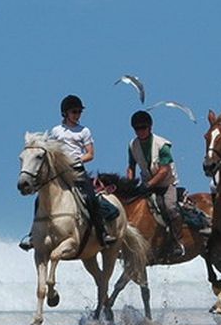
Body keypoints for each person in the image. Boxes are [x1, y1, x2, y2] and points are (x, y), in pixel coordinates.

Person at [19, 94, 116, 251]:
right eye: (74, 112)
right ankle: (32, 235)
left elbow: (90, 154)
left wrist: (78, 160)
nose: (77, 115)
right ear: (65, 113)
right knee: (39, 199)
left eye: (79, 112)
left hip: (76, 171)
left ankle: (102, 233)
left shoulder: (84, 131)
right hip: (58, 172)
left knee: (91, 198)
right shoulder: (56, 131)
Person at [126, 110, 186, 257]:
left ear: (150, 127)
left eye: (143, 128)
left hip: (166, 184)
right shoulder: (132, 145)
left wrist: (148, 184)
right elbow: (131, 166)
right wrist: (129, 184)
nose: (140, 131)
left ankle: (178, 242)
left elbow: (164, 171)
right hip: (147, 183)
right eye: (137, 129)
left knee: (170, 207)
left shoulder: (162, 145)